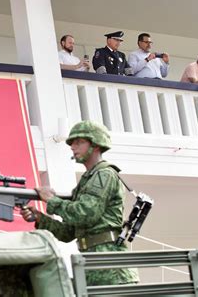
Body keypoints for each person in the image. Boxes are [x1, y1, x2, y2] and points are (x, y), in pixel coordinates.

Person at [21, 120, 139, 286]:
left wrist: (51, 200)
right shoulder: (88, 180)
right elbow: (69, 233)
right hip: (92, 263)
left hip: (110, 266)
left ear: (96, 144)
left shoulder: (104, 174)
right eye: (71, 143)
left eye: (79, 142)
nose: (72, 147)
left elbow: (85, 214)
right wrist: (40, 218)